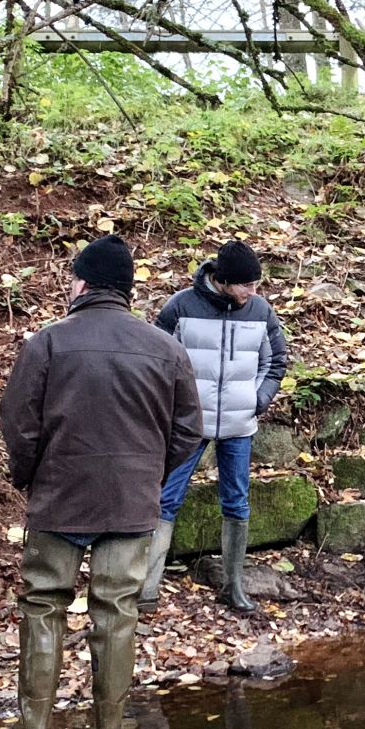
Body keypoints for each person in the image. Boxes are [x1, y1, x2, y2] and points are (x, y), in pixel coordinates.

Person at [0, 235, 202, 729]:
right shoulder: (166, 348)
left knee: (44, 604)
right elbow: (188, 432)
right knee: (117, 611)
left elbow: (19, 423)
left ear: (82, 283)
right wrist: (149, 476)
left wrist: (31, 476)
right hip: (132, 502)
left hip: (61, 497)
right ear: (128, 289)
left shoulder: (47, 342)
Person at [142, 239, 289, 615]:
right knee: (167, 499)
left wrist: (257, 400)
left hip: (240, 425)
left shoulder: (260, 310)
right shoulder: (181, 307)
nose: (253, 292)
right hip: (191, 426)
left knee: (237, 502)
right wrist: (176, 410)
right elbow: (157, 363)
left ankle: (233, 587)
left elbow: (275, 363)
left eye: (257, 284)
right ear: (223, 280)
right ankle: (147, 588)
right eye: (246, 285)